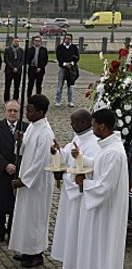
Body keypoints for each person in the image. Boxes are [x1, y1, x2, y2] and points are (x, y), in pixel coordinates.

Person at [73, 109, 128, 269]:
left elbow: (106, 186)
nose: (92, 128)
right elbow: (98, 164)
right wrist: (81, 158)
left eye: (94, 125)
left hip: (107, 211)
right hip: (100, 208)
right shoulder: (107, 147)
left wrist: (84, 184)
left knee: (102, 247)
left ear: (102, 126)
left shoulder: (113, 152)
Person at [8, 94, 54, 268]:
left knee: (35, 218)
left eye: (30, 110)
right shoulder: (33, 127)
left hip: (37, 185)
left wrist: (23, 180)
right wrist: (19, 142)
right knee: (25, 217)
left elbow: (40, 162)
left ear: (40, 112)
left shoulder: (46, 134)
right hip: (27, 181)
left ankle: (36, 253)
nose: (26, 112)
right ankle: (25, 249)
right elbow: (23, 151)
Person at [50, 109, 99, 269]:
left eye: (74, 122)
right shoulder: (78, 138)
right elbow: (66, 156)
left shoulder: (93, 143)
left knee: (76, 232)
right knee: (68, 231)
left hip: (80, 198)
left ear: (85, 123)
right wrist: (57, 152)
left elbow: (89, 171)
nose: (71, 125)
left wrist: (64, 177)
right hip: (69, 197)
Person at [0, 100, 28, 243]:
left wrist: (19, 165)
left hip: (18, 171)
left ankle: (12, 230)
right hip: (1, 170)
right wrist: (5, 165)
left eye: (15, 111)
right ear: (5, 111)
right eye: (9, 110)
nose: (12, 113)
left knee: (14, 204)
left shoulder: (26, 128)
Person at [55, 33, 80, 107]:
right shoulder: (60, 47)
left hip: (71, 68)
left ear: (71, 40)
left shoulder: (74, 47)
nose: (67, 40)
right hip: (62, 68)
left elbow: (77, 57)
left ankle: (70, 101)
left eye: (69, 39)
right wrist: (64, 64)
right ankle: (58, 100)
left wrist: (71, 63)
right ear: (64, 39)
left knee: (70, 85)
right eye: (66, 38)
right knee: (60, 85)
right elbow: (58, 57)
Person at [3, 37, 24, 102]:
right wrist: (12, 68)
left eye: (18, 41)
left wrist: (17, 68)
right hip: (9, 70)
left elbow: (22, 60)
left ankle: (15, 99)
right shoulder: (7, 50)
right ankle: (6, 100)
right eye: (15, 41)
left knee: (17, 86)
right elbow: (6, 60)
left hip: (18, 71)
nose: (16, 42)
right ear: (12, 42)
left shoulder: (21, 50)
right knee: (7, 86)